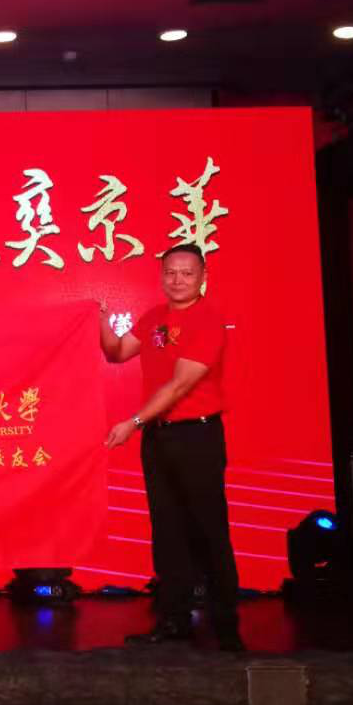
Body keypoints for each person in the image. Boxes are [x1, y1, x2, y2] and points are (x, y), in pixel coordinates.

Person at [99, 244, 244, 652]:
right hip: (159, 437)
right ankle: (173, 620)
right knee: (167, 532)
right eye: (170, 273)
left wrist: (133, 423)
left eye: (187, 273)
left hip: (197, 437)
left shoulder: (207, 321)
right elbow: (116, 353)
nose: (178, 280)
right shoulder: (154, 318)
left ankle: (226, 627)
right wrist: (99, 319)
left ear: (203, 277)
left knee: (208, 531)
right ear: (162, 276)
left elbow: (180, 385)